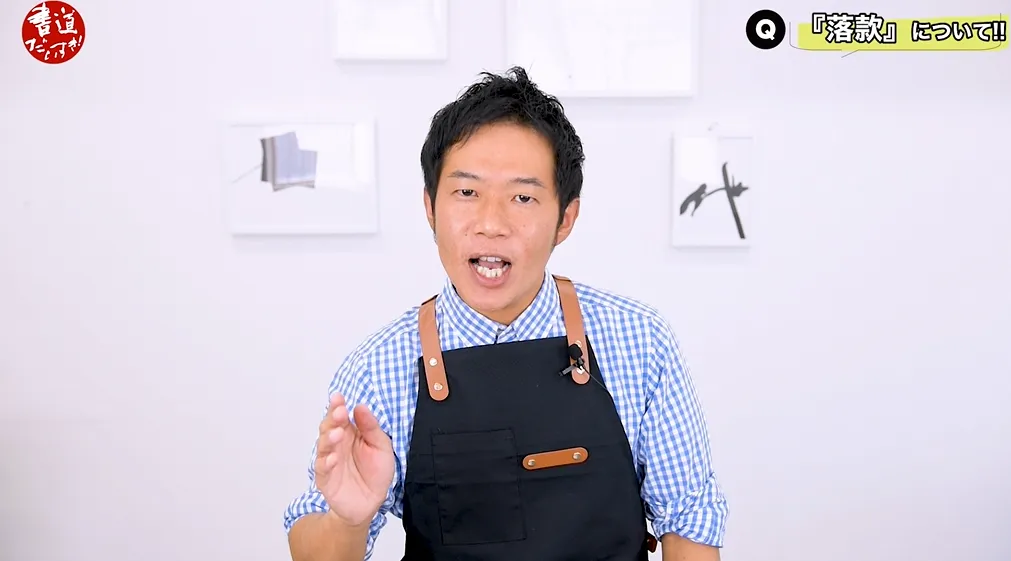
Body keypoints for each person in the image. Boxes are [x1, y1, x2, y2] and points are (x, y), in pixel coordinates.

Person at [284, 66, 729, 561]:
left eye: (522, 197)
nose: (491, 223)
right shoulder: (379, 366)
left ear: (565, 219)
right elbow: (312, 547)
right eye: (467, 192)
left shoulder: (640, 340)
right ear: (430, 208)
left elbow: (689, 523)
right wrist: (347, 519)